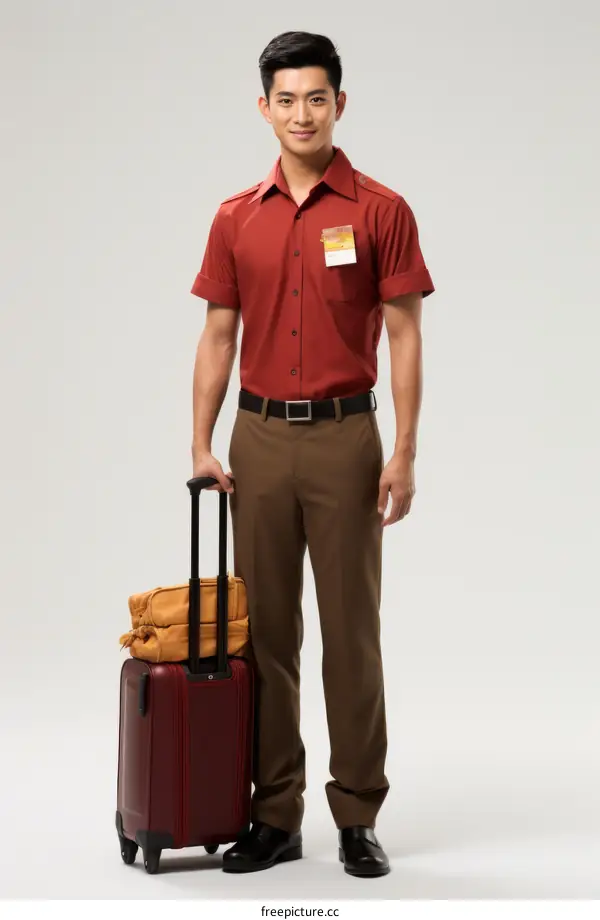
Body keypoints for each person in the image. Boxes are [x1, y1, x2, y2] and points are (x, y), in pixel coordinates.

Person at [189, 31, 434, 877]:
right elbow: (219, 334)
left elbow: (403, 336)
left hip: (344, 441)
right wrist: (200, 441)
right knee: (266, 638)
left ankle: (358, 815)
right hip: (256, 440)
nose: (301, 113)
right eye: (285, 99)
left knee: (351, 635)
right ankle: (274, 815)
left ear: (339, 103)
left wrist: (402, 451)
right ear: (264, 108)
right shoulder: (233, 217)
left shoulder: (379, 210)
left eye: (316, 98)